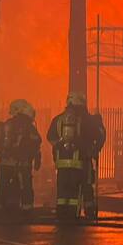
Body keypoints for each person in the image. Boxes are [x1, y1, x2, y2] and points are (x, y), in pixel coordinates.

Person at [47, 92, 105, 220]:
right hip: (81, 161)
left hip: (61, 164)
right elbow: (98, 135)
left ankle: (62, 213)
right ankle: (85, 212)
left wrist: (60, 147)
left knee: (63, 189)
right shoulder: (86, 120)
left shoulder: (58, 119)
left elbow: (50, 137)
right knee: (84, 185)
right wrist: (93, 149)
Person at [0, 99, 42, 219]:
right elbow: (37, 141)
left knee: (1, 187)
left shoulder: (7, 124)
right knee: (26, 188)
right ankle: (26, 211)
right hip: (22, 164)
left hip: (5, 163)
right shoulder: (28, 126)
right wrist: (36, 158)